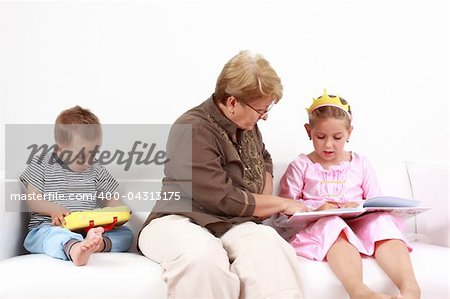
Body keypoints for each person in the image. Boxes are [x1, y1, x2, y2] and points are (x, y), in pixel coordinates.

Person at [138, 51, 307, 298]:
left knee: (270, 247)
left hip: (230, 223)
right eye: (261, 110)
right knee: (203, 259)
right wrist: (279, 203)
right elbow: (222, 197)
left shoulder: (247, 125)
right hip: (179, 219)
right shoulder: (192, 128)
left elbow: (265, 159)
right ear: (232, 102)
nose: (265, 116)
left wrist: (263, 195)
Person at [274, 90, 421, 299]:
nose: (328, 144)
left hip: (360, 224)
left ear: (349, 133)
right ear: (309, 131)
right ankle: (359, 292)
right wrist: (316, 209)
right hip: (322, 228)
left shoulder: (360, 163)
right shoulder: (301, 166)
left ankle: (411, 289)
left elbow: (375, 202)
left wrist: (357, 205)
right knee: (333, 223)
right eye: (321, 137)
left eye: (337, 137)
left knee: (383, 220)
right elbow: (283, 214)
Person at [20, 106, 133, 266]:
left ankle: (96, 245)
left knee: (126, 234)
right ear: (60, 149)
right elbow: (32, 199)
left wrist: (120, 210)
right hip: (51, 226)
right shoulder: (42, 163)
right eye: (81, 157)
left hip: (88, 229)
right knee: (52, 236)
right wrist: (53, 208)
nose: (88, 162)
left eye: (93, 155)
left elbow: (110, 199)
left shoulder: (97, 168)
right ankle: (75, 249)